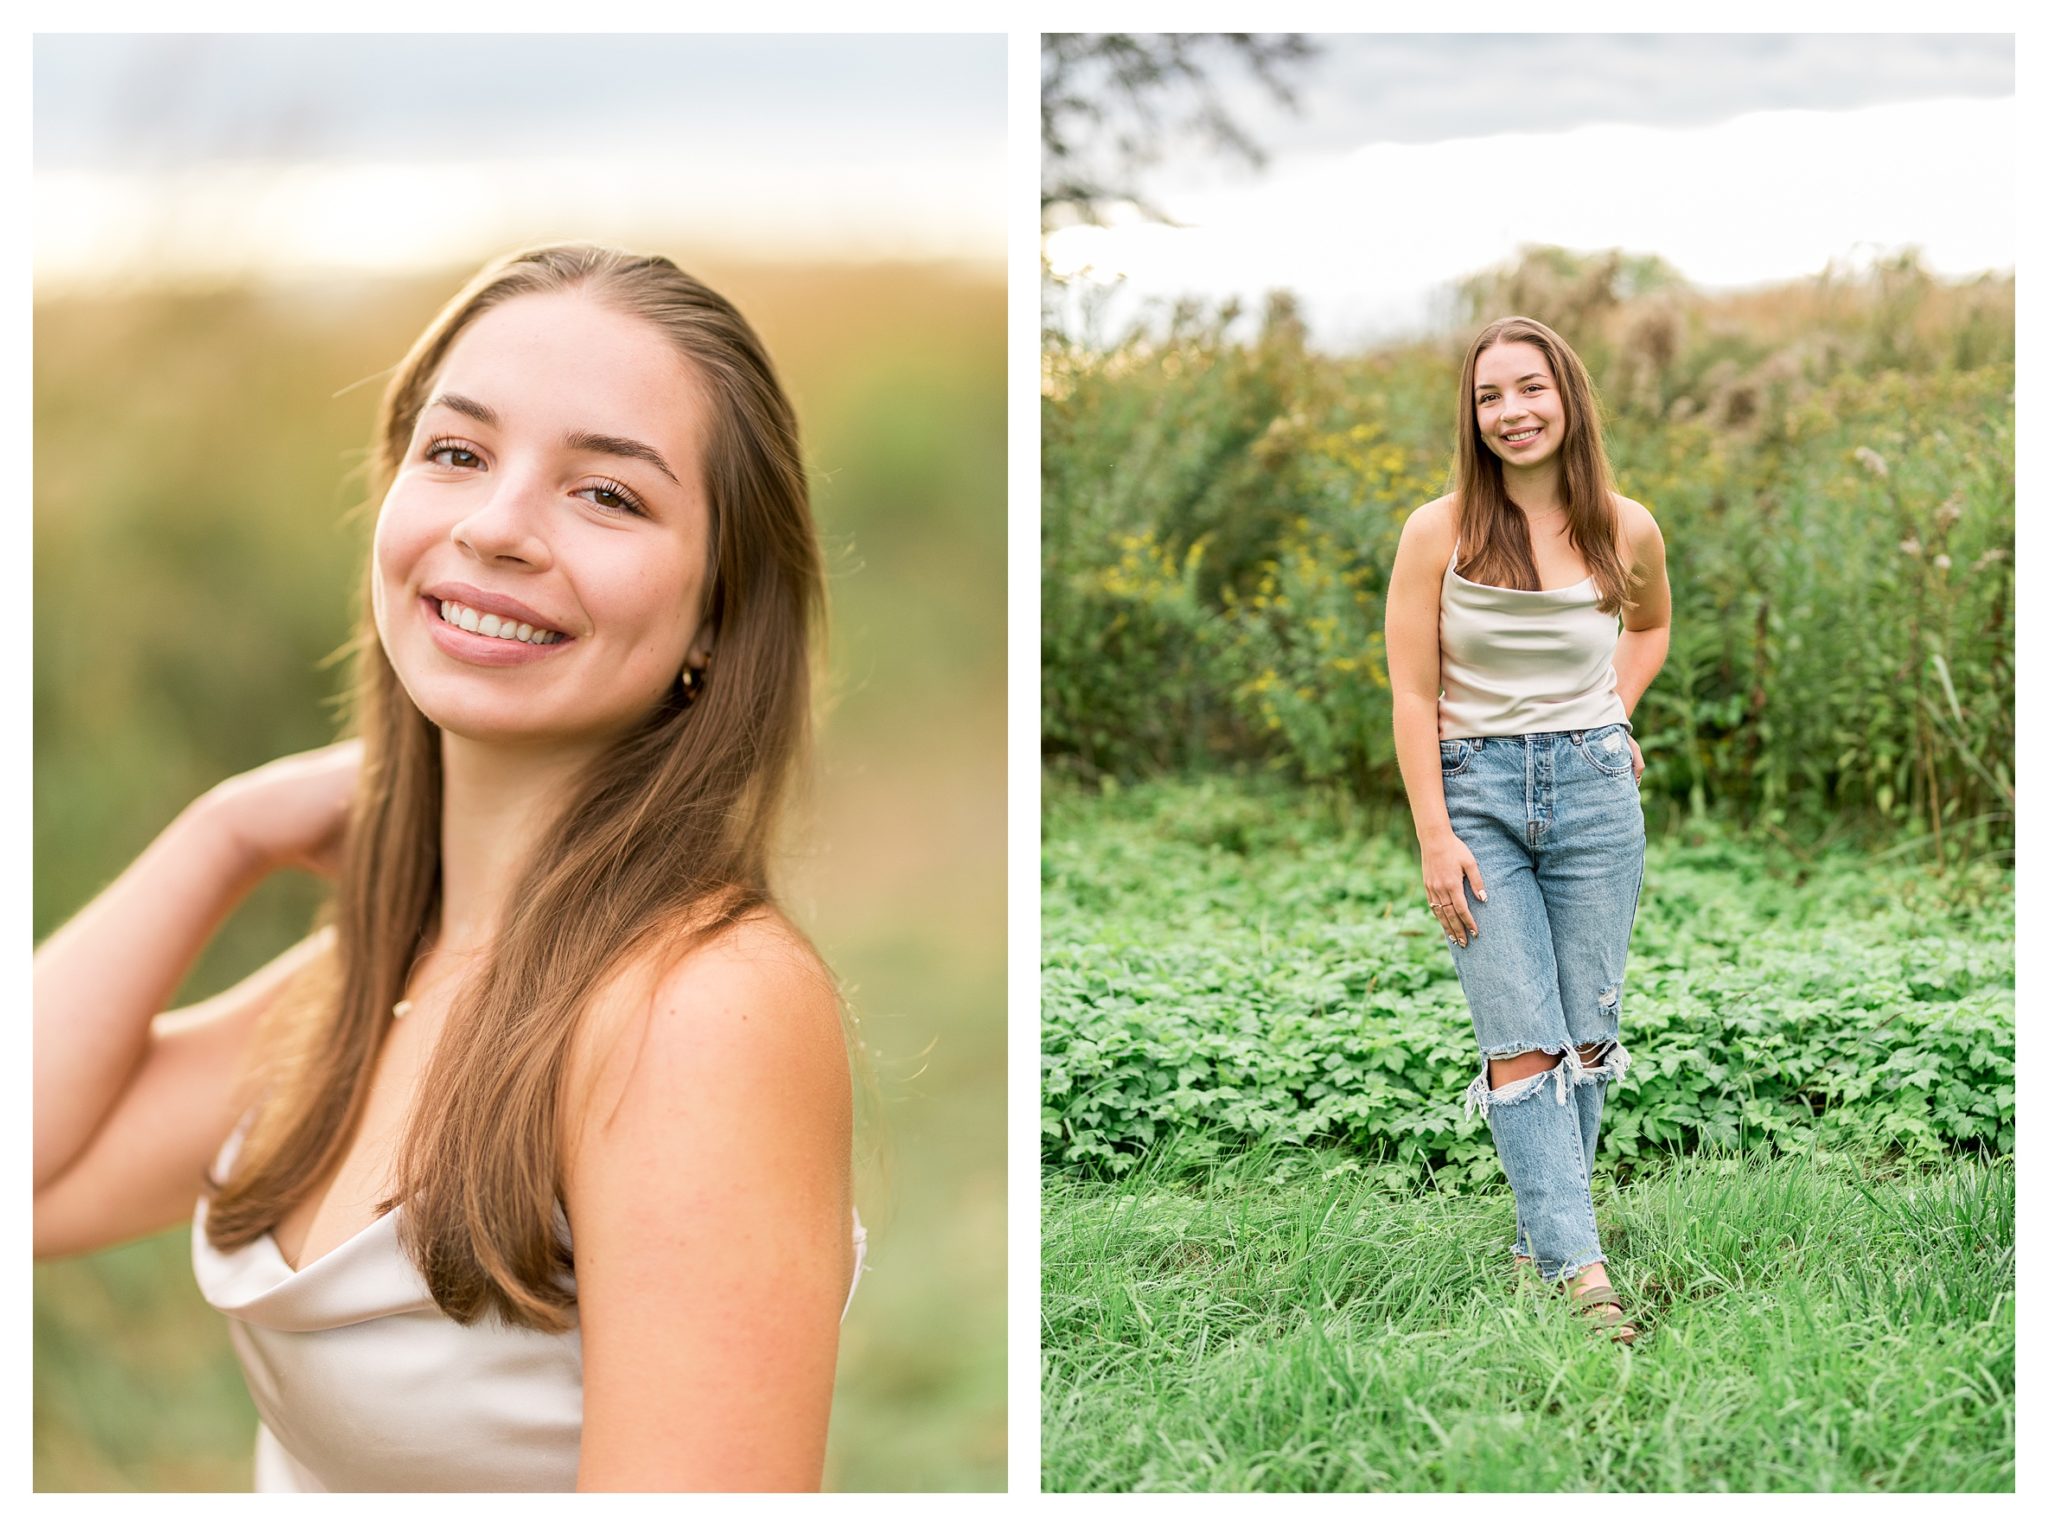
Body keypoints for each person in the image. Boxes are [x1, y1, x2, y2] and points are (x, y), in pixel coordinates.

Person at [32, 244, 865, 1488]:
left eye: (608, 494)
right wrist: (227, 831)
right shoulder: (385, 974)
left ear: (715, 611)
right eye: (458, 453)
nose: (494, 527)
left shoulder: (691, 1008)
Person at [1384, 314, 1671, 1344]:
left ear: (1568, 397)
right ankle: (1580, 1271)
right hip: (1475, 796)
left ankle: (1537, 1240)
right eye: (1487, 396)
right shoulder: (1439, 530)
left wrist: (1614, 713)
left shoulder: (1623, 525)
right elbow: (1411, 696)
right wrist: (1432, 832)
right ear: (1470, 415)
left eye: (1528, 389)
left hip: (1595, 787)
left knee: (1586, 1032)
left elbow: (1648, 627)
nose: (1510, 412)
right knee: (1520, 1037)